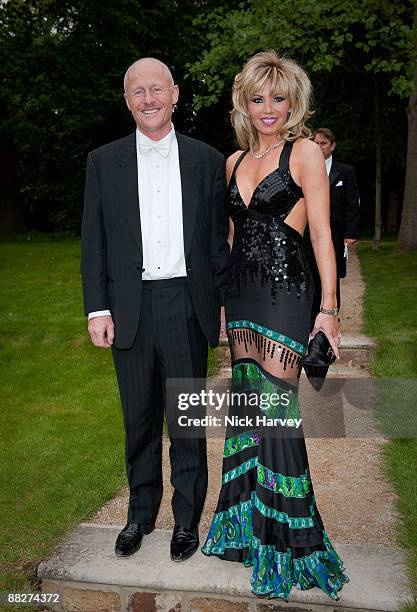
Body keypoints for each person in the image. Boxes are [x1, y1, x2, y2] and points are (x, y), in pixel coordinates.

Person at [201, 51, 349, 601]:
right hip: (241, 297)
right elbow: (233, 239)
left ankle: (290, 545)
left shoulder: (305, 151)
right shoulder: (233, 160)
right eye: (258, 98)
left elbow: (321, 236)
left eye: (278, 98)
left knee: (279, 416)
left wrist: (329, 310)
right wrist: (221, 303)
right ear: (245, 101)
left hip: (287, 293)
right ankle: (244, 530)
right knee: (246, 413)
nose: (268, 109)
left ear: (294, 103)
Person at [81, 58, 229, 562]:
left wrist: (223, 303)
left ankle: (186, 521)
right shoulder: (103, 162)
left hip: (187, 304)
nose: (148, 99)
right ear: (127, 101)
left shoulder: (207, 160)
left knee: (186, 421)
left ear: (175, 94)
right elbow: (93, 244)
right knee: (138, 419)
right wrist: (97, 309)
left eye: (157, 89)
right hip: (130, 307)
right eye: (137, 91)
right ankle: (140, 514)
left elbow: (216, 245)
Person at [306, 128, 360, 325]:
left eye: (323, 143)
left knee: (331, 274)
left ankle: (330, 319)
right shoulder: (304, 168)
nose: (319, 147)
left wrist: (350, 233)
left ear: (332, 146)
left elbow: (352, 203)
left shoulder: (345, 171)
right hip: (308, 233)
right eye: (316, 143)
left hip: (334, 233)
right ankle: (310, 319)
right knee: (309, 273)